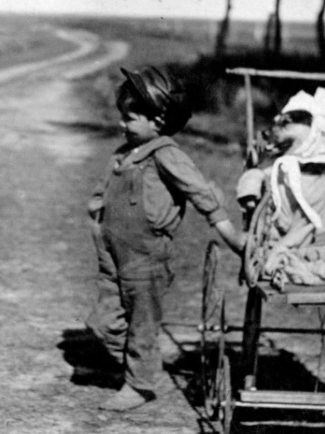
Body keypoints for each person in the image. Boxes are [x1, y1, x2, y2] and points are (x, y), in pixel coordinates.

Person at [85, 66, 244, 411]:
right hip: (112, 253)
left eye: (130, 118)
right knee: (103, 321)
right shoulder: (123, 153)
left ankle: (139, 384)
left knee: (142, 322)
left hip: (147, 256)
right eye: (122, 117)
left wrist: (230, 234)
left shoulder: (167, 155)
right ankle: (134, 365)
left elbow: (200, 192)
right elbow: (106, 187)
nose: (122, 124)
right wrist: (97, 206)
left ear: (157, 121)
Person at [236, 88, 325, 289]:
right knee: (272, 249)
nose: (276, 129)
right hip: (282, 238)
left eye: (286, 124)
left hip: (320, 241)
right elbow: (256, 175)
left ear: (313, 134)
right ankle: (289, 261)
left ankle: (305, 265)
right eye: (279, 123)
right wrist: (250, 188)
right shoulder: (277, 172)